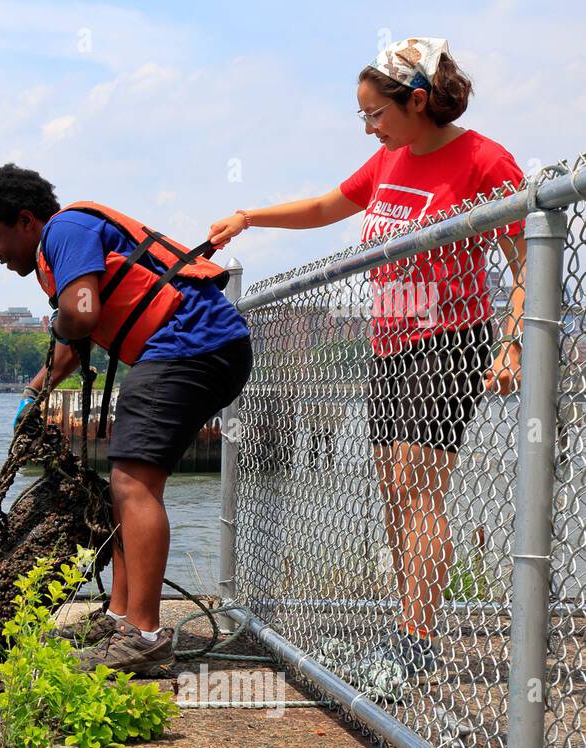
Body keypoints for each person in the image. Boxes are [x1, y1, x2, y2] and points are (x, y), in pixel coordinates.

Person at [207, 37, 527, 682]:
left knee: (418, 490)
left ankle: (414, 640)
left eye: (374, 114)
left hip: (448, 339)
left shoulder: (484, 161)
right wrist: (249, 216)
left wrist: (511, 341)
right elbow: (328, 206)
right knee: (393, 496)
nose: (368, 128)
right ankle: (410, 632)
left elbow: (528, 267)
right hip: (387, 346)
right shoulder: (388, 161)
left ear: (416, 100)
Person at [0, 164, 252, 676]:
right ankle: (122, 619)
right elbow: (75, 348)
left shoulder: (65, 232)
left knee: (133, 482)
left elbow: (81, 312)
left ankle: (143, 636)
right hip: (185, 350)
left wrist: (57, 319)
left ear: (27, 221)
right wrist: (35, 392)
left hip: (191, 344)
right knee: (126, 479)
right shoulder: (60, 249)